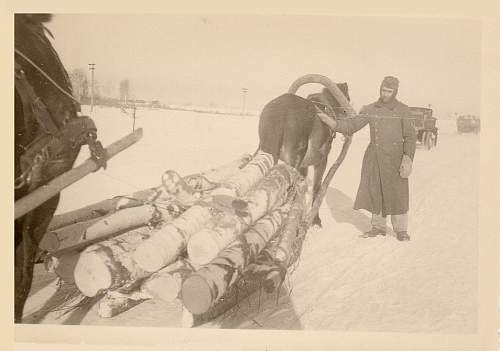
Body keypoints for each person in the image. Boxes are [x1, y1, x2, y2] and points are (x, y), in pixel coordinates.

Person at [318, 76, 417, 241]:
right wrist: (330, 122)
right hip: (374, 159)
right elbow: (352, 125)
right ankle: (378, 227)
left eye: (389, 91)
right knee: (375, 191)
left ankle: (401, 230)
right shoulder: (371, 109)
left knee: (397, 193)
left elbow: (410, 137)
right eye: (383, 90)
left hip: (396, 160)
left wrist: (407, 158)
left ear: (395, 92)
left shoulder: (403, 111)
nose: (385, 94)